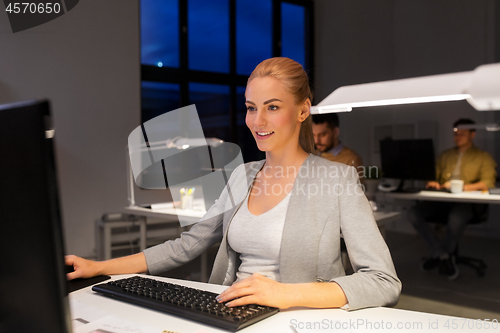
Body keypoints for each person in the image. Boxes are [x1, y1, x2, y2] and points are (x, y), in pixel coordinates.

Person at [67, 57, 400, 310]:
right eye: (251, 108)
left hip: (297, 318)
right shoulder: (242, 175)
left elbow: (383, 281)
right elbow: (187, 244)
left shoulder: (336, 179)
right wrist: (98, 266)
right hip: (232, 313)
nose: (258, 121)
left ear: (303, 111)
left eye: (273, 107)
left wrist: (284, 293)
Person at [408, 118, 497, 280]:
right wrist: (432, 182)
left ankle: (444, 255)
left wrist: (461, 187)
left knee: (456, 217)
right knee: (414, 213)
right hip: (442, 200)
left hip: (468, 203)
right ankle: (441, 253)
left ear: (473, 134)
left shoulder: (483, 157)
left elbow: (488, 183)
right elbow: (431, 176)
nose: (458, 136)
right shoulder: (445, 155)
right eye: (456, 133)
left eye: (463, 133)